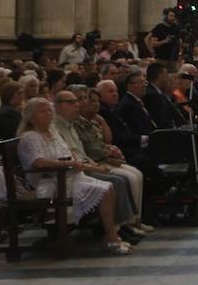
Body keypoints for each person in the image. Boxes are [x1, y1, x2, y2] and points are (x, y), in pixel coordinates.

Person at [17, 97, 131, 255]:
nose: (48, 114)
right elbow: (39, 163)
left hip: (69, 177)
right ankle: (111, 237)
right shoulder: (30, 136)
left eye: (50, 110)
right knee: (104, 191)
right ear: (31, 115)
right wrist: (65, 165)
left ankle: (111, 235)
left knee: (109, 186)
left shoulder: (53, 132)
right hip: (50, 183)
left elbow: (70, 158)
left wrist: (94, 167)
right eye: (43, 111)